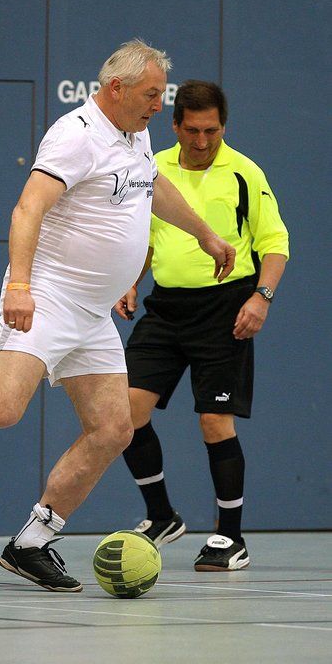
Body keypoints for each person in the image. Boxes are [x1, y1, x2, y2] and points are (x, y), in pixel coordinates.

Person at [0, 41, 236, 592]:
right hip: (49, 295)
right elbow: (28, 208)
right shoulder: (75, 135)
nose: (158, 106)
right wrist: (20, 287)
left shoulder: (135, 132)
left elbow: (153, 185)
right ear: (116, 88)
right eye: (150, 95)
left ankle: (32, 542)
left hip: (93, 313)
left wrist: (207, 235)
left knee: (114, 428)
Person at [117, 80, 289, 571]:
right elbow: (148, 238)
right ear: (175, 126)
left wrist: (261, 297)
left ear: (223, 127)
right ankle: (161, 515)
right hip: (166, 309)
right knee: (123, 413)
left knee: (215, 422)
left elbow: (275, 242)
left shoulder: (244, 172)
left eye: (211, 131)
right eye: (192, 130)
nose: (201, 140)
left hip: (226, 309)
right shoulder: (154, 169)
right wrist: (131, 282)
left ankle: (230, 537)